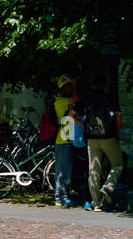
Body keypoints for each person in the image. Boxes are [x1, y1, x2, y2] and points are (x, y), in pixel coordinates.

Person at [80, 72, 124, 212]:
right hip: (108, 137)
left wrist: (86, 128)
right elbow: (118, 120)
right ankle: (108, 187)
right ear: (105, 85)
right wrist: (114, 132)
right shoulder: (110, 98)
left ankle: (96, 204)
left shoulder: (87, 99)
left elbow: (76, 117)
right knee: (117, 165)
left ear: (93, 85)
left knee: (93, 171)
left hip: (92, 139)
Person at [53, 75, 81, 208]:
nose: (70, 88)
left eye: (71, 86)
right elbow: (77, 98)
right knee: (62, 170)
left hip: (68, 139)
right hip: (63, 139)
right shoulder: (60, 101)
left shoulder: (65, 101)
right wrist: (76, 84)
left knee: (67, 170)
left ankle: (64, 195)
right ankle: (60, 198)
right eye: (68, 86)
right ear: (62, 89)